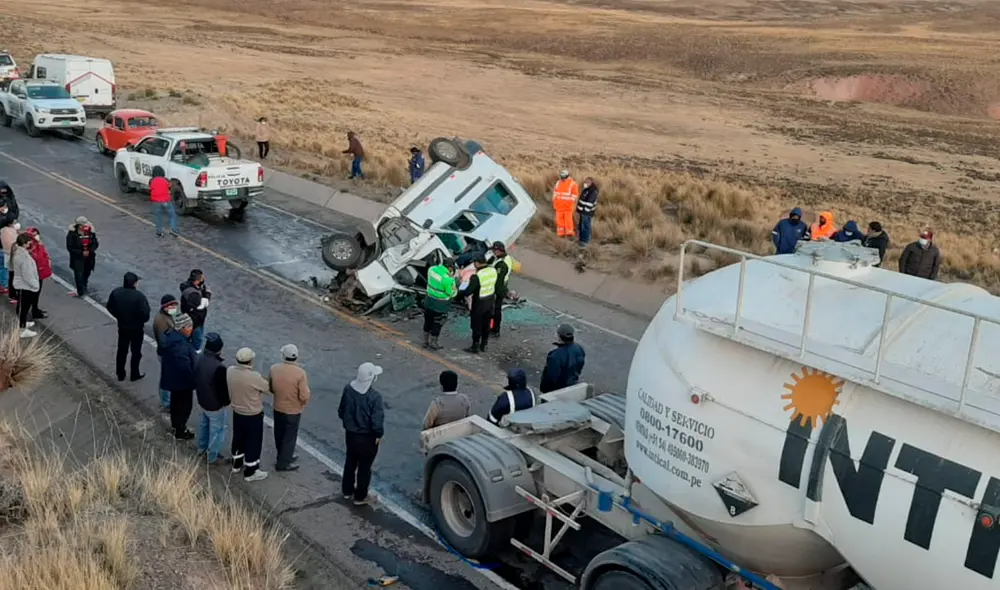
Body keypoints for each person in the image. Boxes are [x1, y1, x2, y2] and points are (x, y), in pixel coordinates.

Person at [338, 362, 385, 506]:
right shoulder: (374, 397)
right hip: (367, 438)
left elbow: (341, 411)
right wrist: (378, 435)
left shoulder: (348, 389)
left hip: (350, 434)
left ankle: (347, 490)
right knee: (364, 468)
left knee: (350, 462)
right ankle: (360, 496)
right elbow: (377, 422)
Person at [228, 347, 271, 482]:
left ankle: (236, 464)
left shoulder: (230, 371)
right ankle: (251, 471)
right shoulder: (254, 376)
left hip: (237, 412)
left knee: (238, 438)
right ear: (250, 361)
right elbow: (267, 388)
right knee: (253, 442)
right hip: (252, 414)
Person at [269, 344, 311, 472]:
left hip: (278, 406)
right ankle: (283, 463)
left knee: (279, 433)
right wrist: (302, 403)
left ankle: (282, 455)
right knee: (289, 437)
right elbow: (304, 395)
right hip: (293, 410)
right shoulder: (300, 373)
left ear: (283, 356)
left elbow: (271, 387)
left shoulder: (274, 368)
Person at [106, 271, 151, 382]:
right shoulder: (139, 297)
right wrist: (139, 321)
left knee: (122, 351)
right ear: (134, 283)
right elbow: (145, 315)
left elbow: (110, 307)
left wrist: (119, 316)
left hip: (123, 326)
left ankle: (120, 374)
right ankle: (134, 373)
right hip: (136, 328)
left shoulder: (116, 292)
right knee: (136, 352)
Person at [159, 313, 198, 439]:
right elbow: (184, 367)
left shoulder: (171, 339)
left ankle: (176, 426)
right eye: (188, 327)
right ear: (181, 328)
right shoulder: (180, 346)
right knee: (184, 407)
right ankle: (180, 430)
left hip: (173, 379)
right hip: (183, 383)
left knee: (175, 404)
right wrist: (195, 379)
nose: (191, 329)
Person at [195, 332, 230, 465]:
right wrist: (226, 402)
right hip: (215, 404)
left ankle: (202, 448)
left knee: (205, 425)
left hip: (202, 399)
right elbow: (223, 390)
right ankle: (212, 457)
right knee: (217, 430)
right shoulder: (219, 368)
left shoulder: (199, 358)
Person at [457, 254, 497, 354]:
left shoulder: (477, 276)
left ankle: (475, 346)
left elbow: (468, 291)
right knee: (486, 324)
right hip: (490, 301)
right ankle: (484, 345)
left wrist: (459, 292)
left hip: (479, 303)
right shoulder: (493, 270)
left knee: (476, 325)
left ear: (477, 263)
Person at [540, 323, 586, 393]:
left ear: (559, 336)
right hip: (573, 386)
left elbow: (550, 378)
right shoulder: (579, 349)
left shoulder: (555, 356)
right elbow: (579, 367)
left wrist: (544, 390)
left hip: (557, 391)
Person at [423, 257, 457, 350]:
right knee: (437, 323)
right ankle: (433, 343)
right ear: (450, 268)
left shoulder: (431, 270)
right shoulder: (448, 279)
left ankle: (425, 341)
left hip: (429, 301)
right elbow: (452, 293)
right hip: (440, 305)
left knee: (427, 321)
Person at [10, 234, 39, 339]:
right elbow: (27, 274)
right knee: (24, 308)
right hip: (25, 285)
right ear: (25, 244)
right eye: (29, 242)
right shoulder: (23, 257)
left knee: (22, 306)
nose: (30, 244)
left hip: (21, 284)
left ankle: (23, 324)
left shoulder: (18, 253)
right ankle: (22, 329)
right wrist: (35, 285)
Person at [154, 294, 180, 411]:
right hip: (167, 354)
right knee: (166, 377)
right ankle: (166, 403)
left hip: (175, 351)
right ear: (165, 307)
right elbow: (164, 342)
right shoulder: (160, 321)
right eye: (171, 306)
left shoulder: (174, 313)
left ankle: (170, 398)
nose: (174, 308)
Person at [490, 241, 519, 338]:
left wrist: (494, 291)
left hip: (499, 288)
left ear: (499, 251)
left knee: (496, 310)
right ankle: (494, 328)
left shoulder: (502, 264)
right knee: (495, 309)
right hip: (502, 285)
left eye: (494, 250)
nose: (493, 252)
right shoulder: (505, 259)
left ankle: (495, 329)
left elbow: (498, 280)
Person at [179, 269, 212, 352]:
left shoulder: (194, 288)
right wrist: (207, 294)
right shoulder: (191, 293)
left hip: (195, 319)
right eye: (202, 279)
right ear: (197, 281)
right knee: (197, 341)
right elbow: (201, 305)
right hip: (194, 321)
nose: (203, 280)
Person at [66, 216, 98, 297]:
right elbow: (70, 247)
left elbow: (95, 243)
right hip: (77, 258)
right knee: (78, 274)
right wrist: (81, 253)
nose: (82, 227)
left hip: (89, 257)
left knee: (87, 272)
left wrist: (89, 251)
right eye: (80, 225)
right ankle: (80, 291)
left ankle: (84, 285)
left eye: (84, 225)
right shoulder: (72, 234)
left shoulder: (90, 232)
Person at [24, 228, 51, 319]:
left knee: (36, 293)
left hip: (39, 272)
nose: (36, 236)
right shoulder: (29, 247)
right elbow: (38, 258)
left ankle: (35, 309)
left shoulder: (38, 245)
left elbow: (44, 255)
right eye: (34, 235)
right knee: (31, 294)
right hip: (32, 274)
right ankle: (30, 312)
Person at [149, 166, 179, 237]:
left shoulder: (151, 181)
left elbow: (151, 188)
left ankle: (159, 232)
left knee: (158, 217)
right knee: (172, 215)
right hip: (166, 201)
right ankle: (173, 229)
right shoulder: (166, 180)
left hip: (156, 202)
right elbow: (170, 186)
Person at [552, 170, 580, 238]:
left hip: (567, 207)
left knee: (568, 222)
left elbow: (574, 196)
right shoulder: (558, 182)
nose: (562, 178)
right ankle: (560, 234)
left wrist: (569, 203)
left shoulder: (573, 184)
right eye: (561, 176)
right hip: (558, 206)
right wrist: (554, 201)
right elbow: (555, 193)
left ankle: (569, 234)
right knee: (559, 221)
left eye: (563, 177)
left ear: (567, 176)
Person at [576, 177, 599, 246]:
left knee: (585, 226)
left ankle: (584, 242)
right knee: (581, 226)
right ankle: (581, 239)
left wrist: (584, 211)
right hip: (582, 211)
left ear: (591, 182)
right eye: (585, 182)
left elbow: (590, 202)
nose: (585, 183)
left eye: (586, 182)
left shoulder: (593, 191)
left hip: (586, 212)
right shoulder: (587, 189)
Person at [0, 213, 17, 299]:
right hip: (6, 253)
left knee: (2, 268)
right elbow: (12, 244)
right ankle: (3, 285)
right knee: (5, 269)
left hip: (3, 251)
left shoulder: (2, 230)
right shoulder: (8, 231)